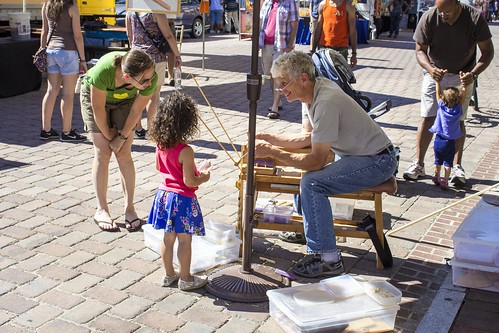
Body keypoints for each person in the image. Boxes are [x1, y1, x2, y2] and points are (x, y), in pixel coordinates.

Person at [255, 51, 398, 278]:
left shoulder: (326, 101)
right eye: (278, 85)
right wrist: (270, 138)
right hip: (361, 155)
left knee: (312, 182)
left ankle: (327, 257)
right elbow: (309, 138)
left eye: (284, 84)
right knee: (306, 173)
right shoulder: (315, 90)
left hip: (376, 160)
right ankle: (309, 229)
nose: (280, 91)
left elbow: (315, 161)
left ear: (303, 78)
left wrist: (273, 151)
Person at [402, 0, 494, 186]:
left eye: (448, 12)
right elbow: (420, 50)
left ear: (457, 4)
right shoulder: (429, 16)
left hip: (463, 76)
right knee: (428, 116)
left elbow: (487, 52)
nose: (443, 15)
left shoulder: (474, 18)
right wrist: (429, 69)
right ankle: (418, 163)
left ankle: (456, 166)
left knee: (457, 119)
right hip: (435, 72)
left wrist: (473, 74)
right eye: (440, 11)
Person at [80, 49, 158, 232]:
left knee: (124, 153)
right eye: (144, 80)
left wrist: (121, 137)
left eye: (151, 76)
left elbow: (136, 111)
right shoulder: (103, 71)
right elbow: (97, 108)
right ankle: (102, 209)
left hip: (126, 103)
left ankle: (129, 208)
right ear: (127, 77)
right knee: (103, 152)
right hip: (97, 100)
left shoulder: (149, 77)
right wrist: (109, 137)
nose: (150, 82)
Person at [147, 92, 211, 291]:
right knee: (185, 240)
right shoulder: (186, 150)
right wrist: (204, 176)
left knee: (168, 237)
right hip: (182, 199)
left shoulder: (160, 144)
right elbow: (189, 180)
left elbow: (160, 168)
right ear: (186, 122)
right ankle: (186, 278)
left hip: (164, 195)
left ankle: (168, 275)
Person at [126, 11, 181, 140]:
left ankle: (137, 128)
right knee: (153, 96)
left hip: (136, 56)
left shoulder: (131, 11)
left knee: (138, 94)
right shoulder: (157, 12)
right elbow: (168, 35)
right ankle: (152, 129)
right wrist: (177, 54)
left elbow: (129, 35)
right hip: (155, 57)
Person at [40, 0, 87, 141]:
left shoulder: (46, 4)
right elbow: (77, 35)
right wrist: (83, 59)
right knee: (68, 94)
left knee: (51, 90)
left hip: (51, 51)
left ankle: (46, 130)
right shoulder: (72, 6)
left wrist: (42, 50)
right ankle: (66, 132)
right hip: (68, 52)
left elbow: (44, 31)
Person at [259, 0, 299, 119]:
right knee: (269, 75)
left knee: (277, 75)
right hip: (265, 44)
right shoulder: (266, 2)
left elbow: (295, 24)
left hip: (281, 45)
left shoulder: (290, 2)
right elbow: (261, 22)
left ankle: (275, 106)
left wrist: (290, 44)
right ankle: (277, 100)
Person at [429, 78, 466, 190]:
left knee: (437, 160)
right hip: (450, 142)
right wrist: (464, 85)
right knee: (448, 162)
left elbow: (437, 93)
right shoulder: (458, 109)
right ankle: (445, 180)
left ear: (443, 98)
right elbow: (463, 97)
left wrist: (438, 81)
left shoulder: (441, 106)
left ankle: (436, 176)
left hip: (438, 139)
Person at [311, 0, 357, 67]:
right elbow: (318, 29)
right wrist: (313, 50)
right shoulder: (323, 4)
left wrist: (354, 54)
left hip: (341, 49)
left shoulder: (348, 5)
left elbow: (352, 31)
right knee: (323, 75)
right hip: (323, 48)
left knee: (340, 75)